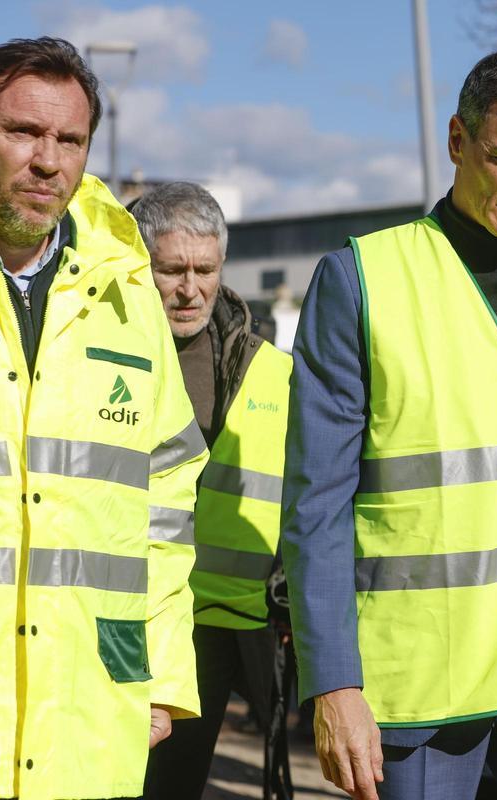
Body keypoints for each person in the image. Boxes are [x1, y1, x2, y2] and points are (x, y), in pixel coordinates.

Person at [282, 48, 497, 800]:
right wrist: (334, 682)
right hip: (421, 687)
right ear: (457, 141)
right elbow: (317, 501)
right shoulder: (363, 278)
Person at [0, 38, 205, 799]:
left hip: (89, 705)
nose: (48, 161)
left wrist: (161, 670)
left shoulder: (125, 289)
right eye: (23, 132)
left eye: (70, 140)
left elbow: (167, 495)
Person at [134, 183, 292, 799]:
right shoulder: (94, 356)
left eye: (205, 270)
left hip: (225, 625)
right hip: (117, 615)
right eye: (171, 270)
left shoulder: (271, 370)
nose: (190, 289)